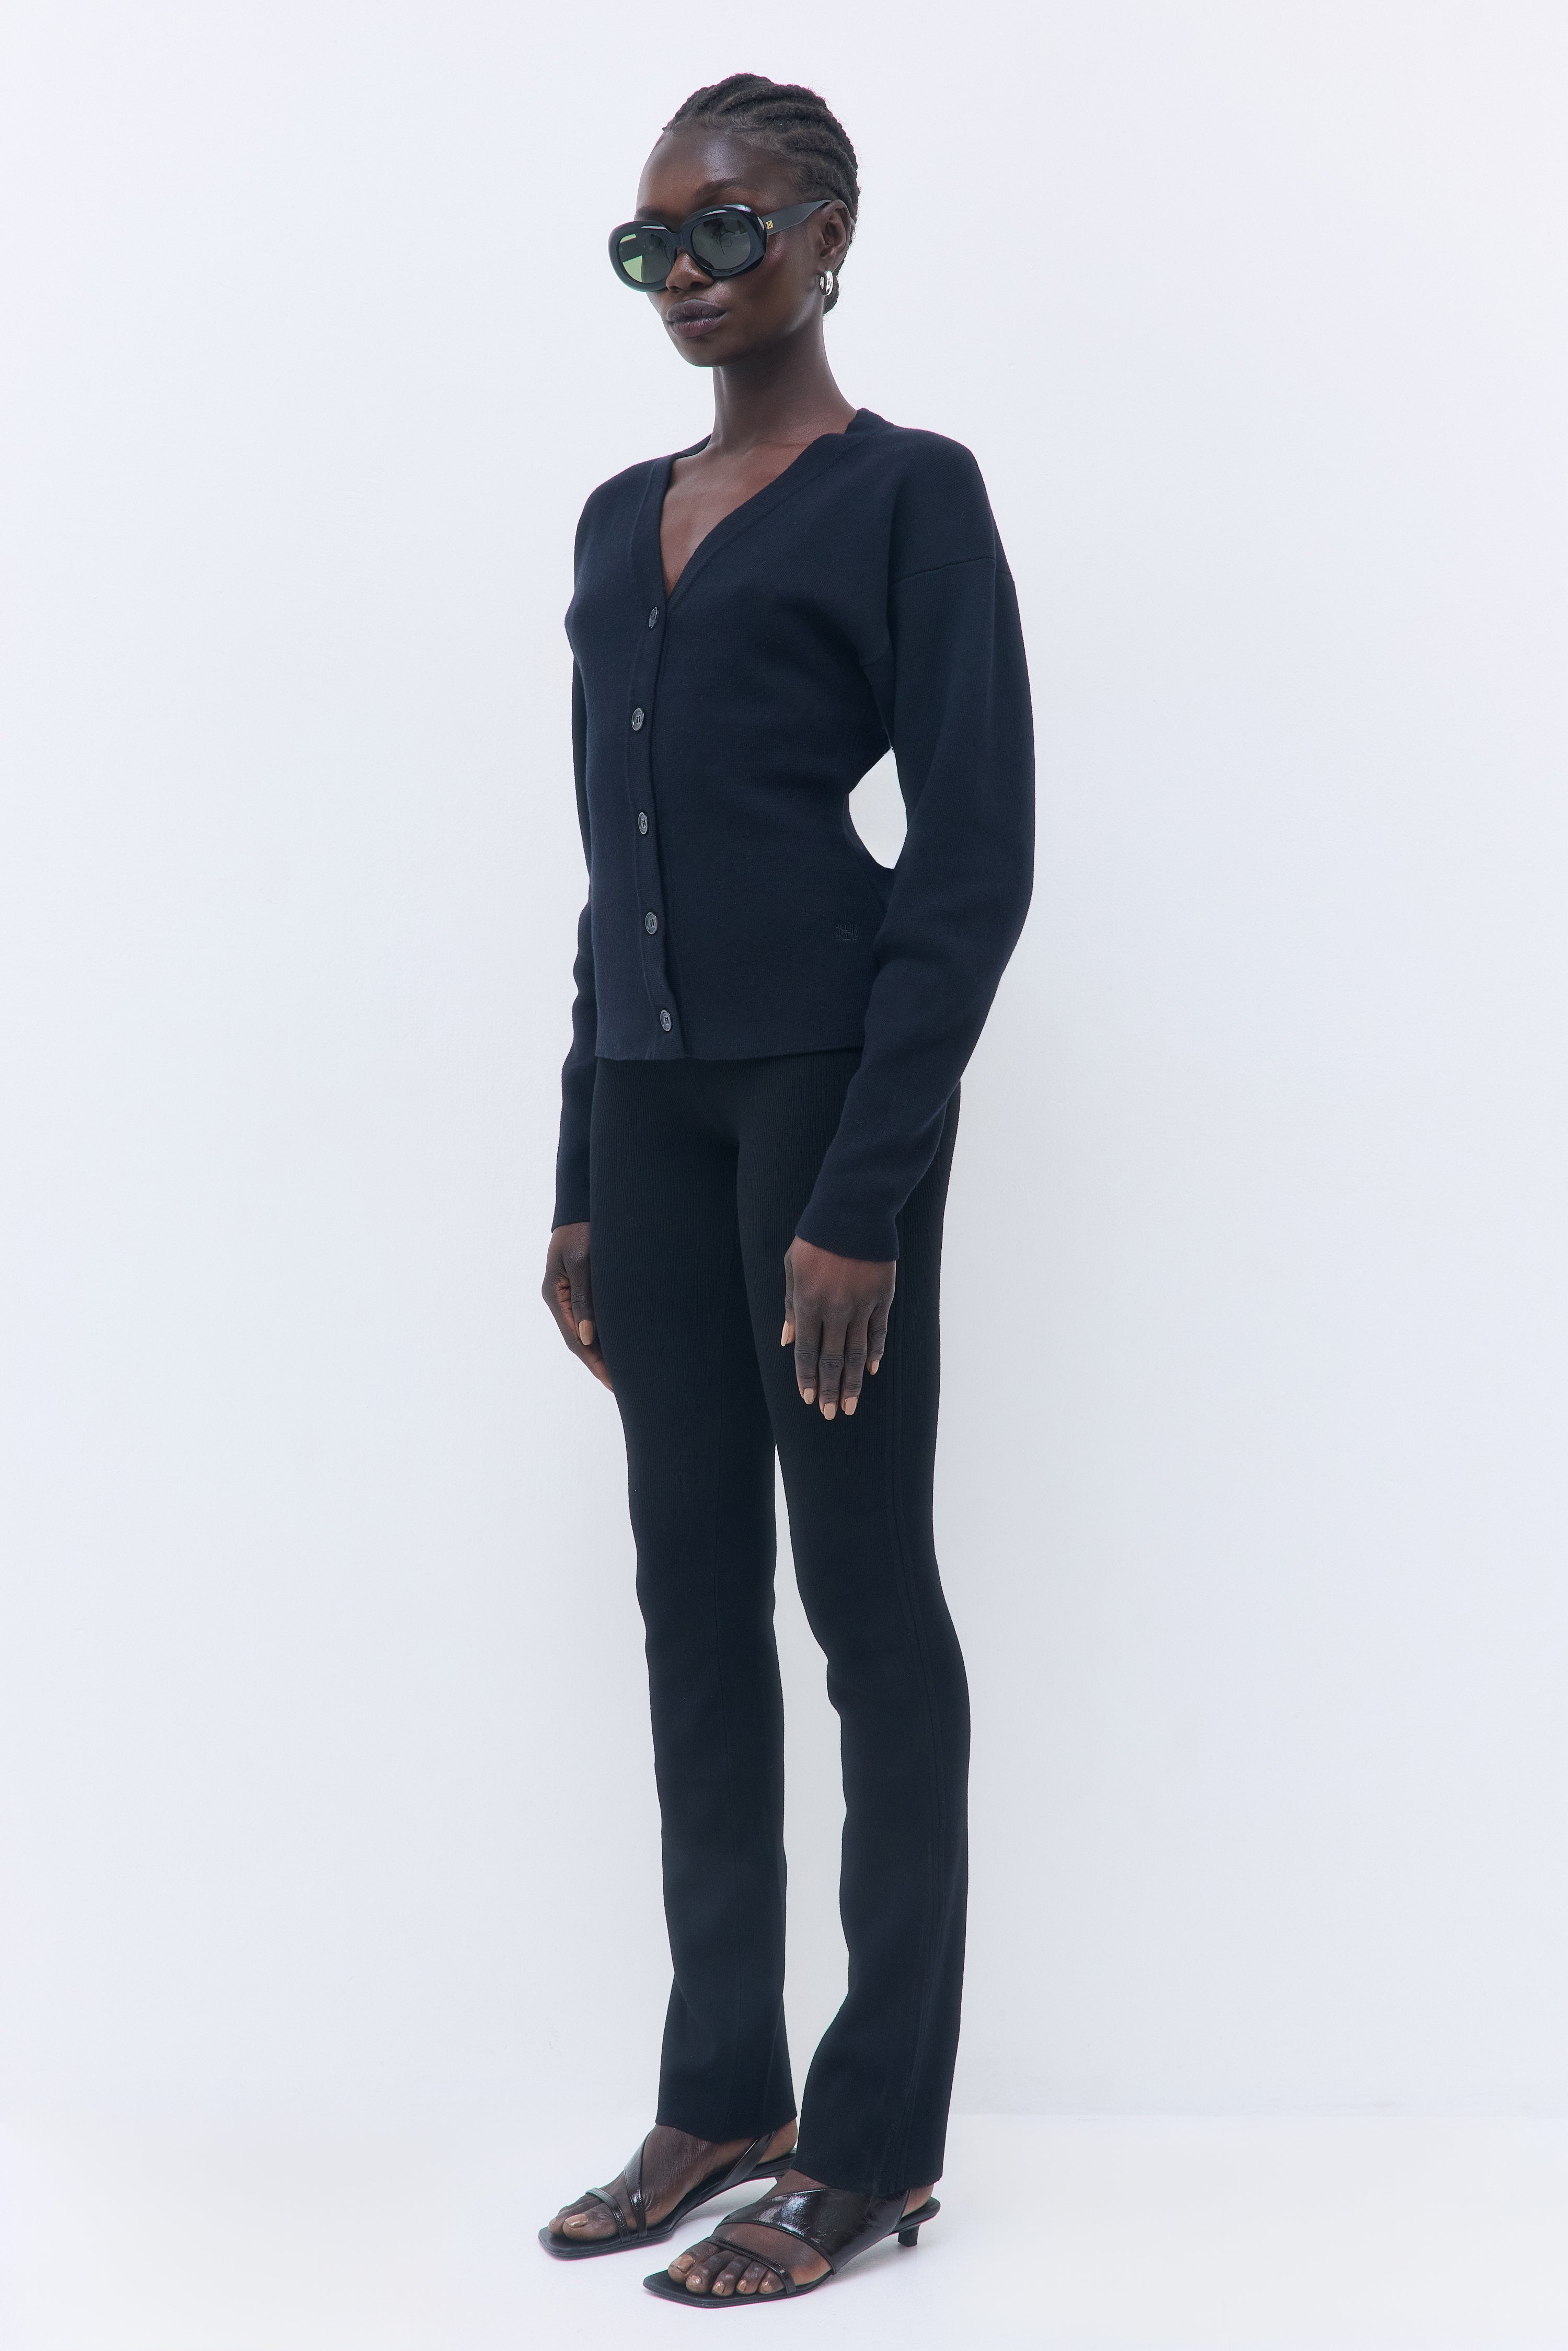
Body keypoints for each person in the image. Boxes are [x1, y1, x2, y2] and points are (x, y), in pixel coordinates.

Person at [537, 73, 1034, 2305]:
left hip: (827, 1113)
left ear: (828, 237)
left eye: (726, 231)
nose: (689, 275)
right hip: (652, 1116)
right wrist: (580, 1170)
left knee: (865, 1602)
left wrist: (869, 1193)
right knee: (686, 1601)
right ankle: (719, 2085)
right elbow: (605, 874)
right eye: (652, 244)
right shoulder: (612, 522)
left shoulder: (909, 496)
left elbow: (975, 858)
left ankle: (876, 2139)